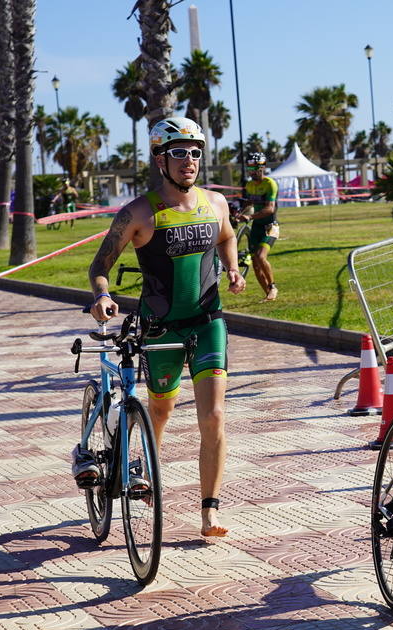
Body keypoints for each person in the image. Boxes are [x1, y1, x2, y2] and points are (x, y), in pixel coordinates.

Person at [72, 115, 247, 539]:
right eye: (179, 153)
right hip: (159, 329)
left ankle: (209, 512)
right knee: (161, 412)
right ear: (160, 159)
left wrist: (233, 266)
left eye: (195, 152)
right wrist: (102, 295)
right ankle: (147, 471)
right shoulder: (138, 212)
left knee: (214, 416)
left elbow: (226, 236)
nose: (189, 160)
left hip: (207, 323)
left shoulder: (216, 203)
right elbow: (100, 265)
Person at [234, 152, 279, 301]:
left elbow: (270, 209)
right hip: (256, 227)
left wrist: (250, 217)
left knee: (260, 256)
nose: (252, 172)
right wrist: (240, 213)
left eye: (255, 168)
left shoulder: (270, 184)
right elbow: (249, 202)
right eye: (250, 168)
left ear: (263, 167)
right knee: (255, 263)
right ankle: (268, 295)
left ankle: (273, 287)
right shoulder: (249, 185)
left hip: (270, 227)